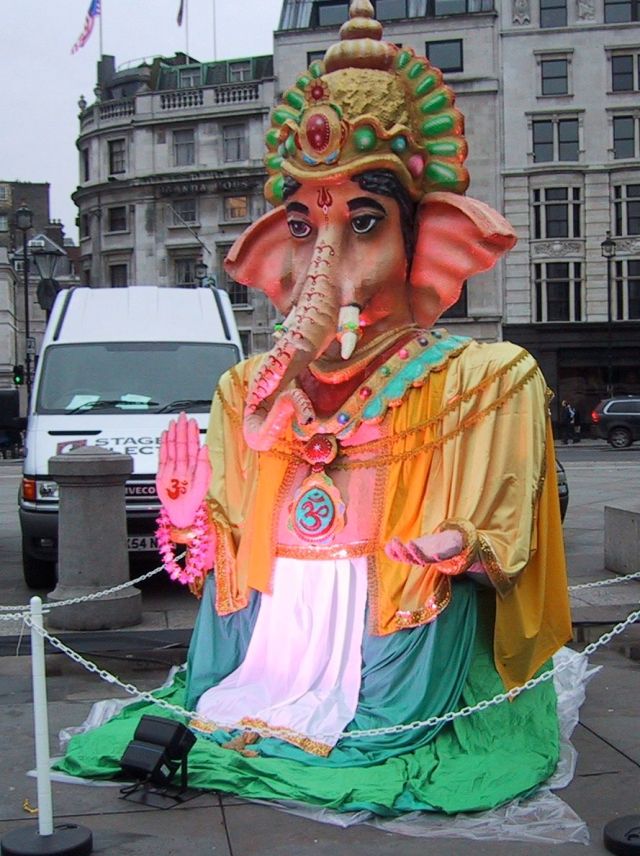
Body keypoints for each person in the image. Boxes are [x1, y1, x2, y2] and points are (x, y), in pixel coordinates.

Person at [59, 0, 572, 815]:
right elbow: (221, 546)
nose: (323, 260)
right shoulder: (245, 390)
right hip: (276, 636)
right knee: (227, 693)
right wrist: (193, 524)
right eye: (303, 229)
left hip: (393, 625)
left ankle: (372, 715)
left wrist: (462, 539)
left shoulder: (481, 380)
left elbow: (504, 534)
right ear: (276, 247)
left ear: (427, 242)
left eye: (363, 224)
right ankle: (265, 699)